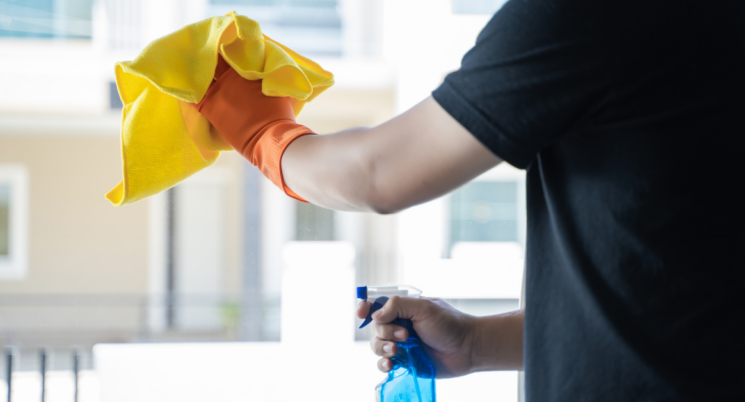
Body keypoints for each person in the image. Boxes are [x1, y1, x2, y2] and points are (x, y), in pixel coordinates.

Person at [194, 0, 745, 399]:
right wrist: (476, 343)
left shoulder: (593, 17)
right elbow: (684, 295)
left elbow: (377, 174)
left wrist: (259, 130)